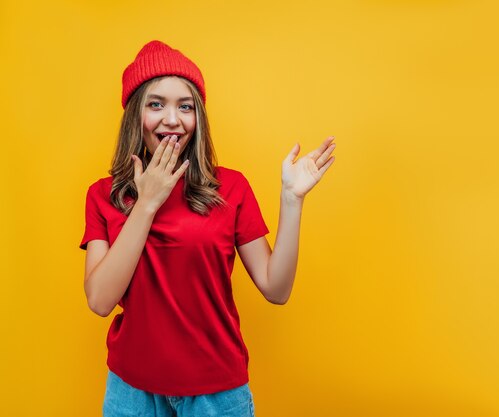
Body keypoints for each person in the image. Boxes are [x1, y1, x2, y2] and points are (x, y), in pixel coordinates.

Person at [79, 40, 336, 417]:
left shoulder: (229, 188)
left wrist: (292, 200)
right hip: (131, 391)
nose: (172, 119)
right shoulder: (103, 196)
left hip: (216, 394)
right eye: (156, 104)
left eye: (185, 106)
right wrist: (147, 202)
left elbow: (276, 289)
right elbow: (100, 301)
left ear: (198, 118)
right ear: (135, 114)